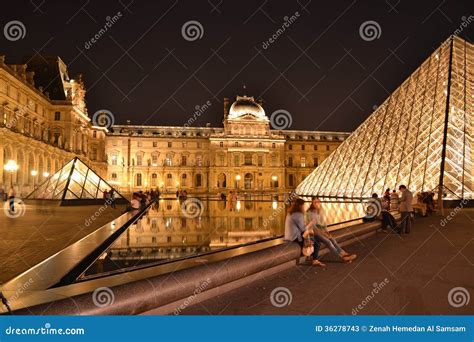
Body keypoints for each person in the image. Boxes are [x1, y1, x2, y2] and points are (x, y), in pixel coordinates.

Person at [306, 198, 356, 263]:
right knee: (328, 242)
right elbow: (314, 228)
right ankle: (342, 257)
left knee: (332, 239)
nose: (317, 204)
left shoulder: (320, 211)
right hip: (314, 233)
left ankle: (344, 254)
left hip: (321, 231)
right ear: (312, 203)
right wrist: (325, 234)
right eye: (315, 202)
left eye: (318, 202)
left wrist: (327, 232)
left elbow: (323, 224)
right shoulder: (309, 212)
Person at [284, 198, 325, 267]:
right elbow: (303, 229)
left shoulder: (290, 213)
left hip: (288, 236)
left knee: (312, 236)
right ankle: (314, 259)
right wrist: (311, 223)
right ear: (300, 206)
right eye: (303, 205)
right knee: (317, 241)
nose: (304, 207)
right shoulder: (298, 214)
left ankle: (311, 257)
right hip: (295, 238)